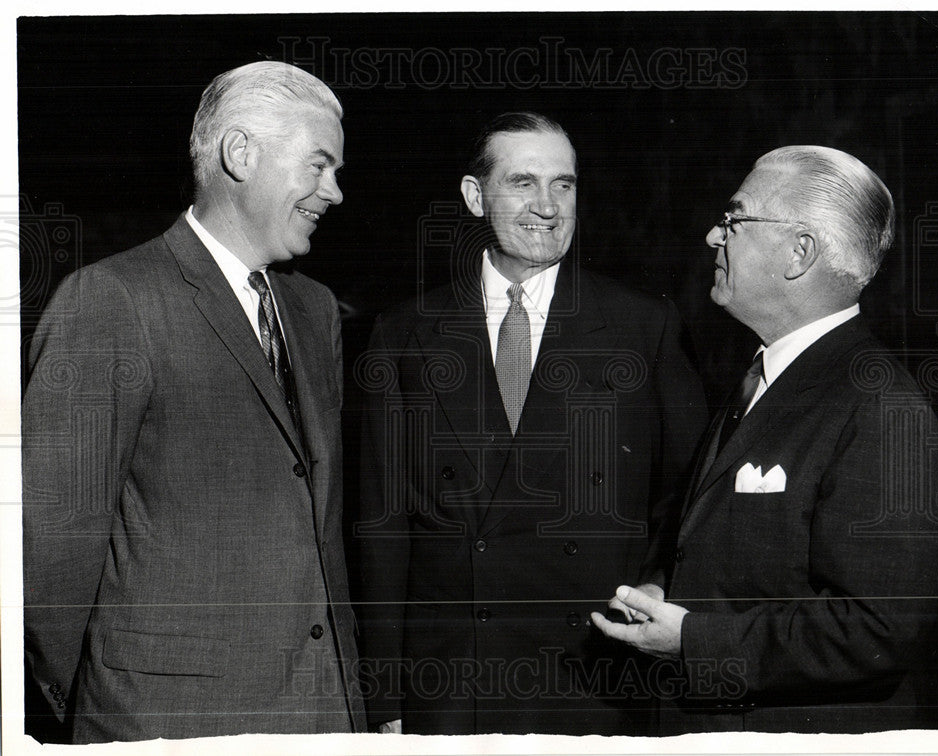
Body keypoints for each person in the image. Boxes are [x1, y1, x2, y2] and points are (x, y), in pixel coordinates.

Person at [22, 61, 365, 743]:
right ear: (241, 154)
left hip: (325, 719)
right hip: (168, 726)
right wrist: (97, 707)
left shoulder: (314, 309)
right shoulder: (112, 300)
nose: (336, 191)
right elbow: (50, 550)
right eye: (320, 165)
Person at [355, 112, 707, 735]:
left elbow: (687, 508)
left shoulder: (642, 328)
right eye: (523, 183)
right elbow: (383, 535)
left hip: (594, 678)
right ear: (474, 196)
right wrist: (385, 702)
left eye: (564, 185)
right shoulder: (405, 334)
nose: (547, 206)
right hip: (454, 688)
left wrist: (657, 597)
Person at [592, 145, 938, 733]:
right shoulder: (762, 378)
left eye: (734, 220)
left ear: (799, 251)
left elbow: (877, 632)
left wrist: (692, 640)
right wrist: (662, 586)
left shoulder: (883, 407)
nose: (714, 236)